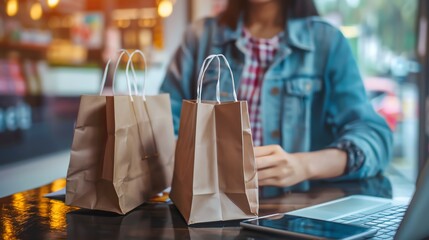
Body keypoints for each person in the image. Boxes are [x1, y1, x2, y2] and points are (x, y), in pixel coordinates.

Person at [160, 0, 392, 189]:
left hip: (298, 213)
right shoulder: (200, 37)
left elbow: (374, 138)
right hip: (211, 209)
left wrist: (303, 166)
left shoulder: (327, 42)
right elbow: (163, 126)